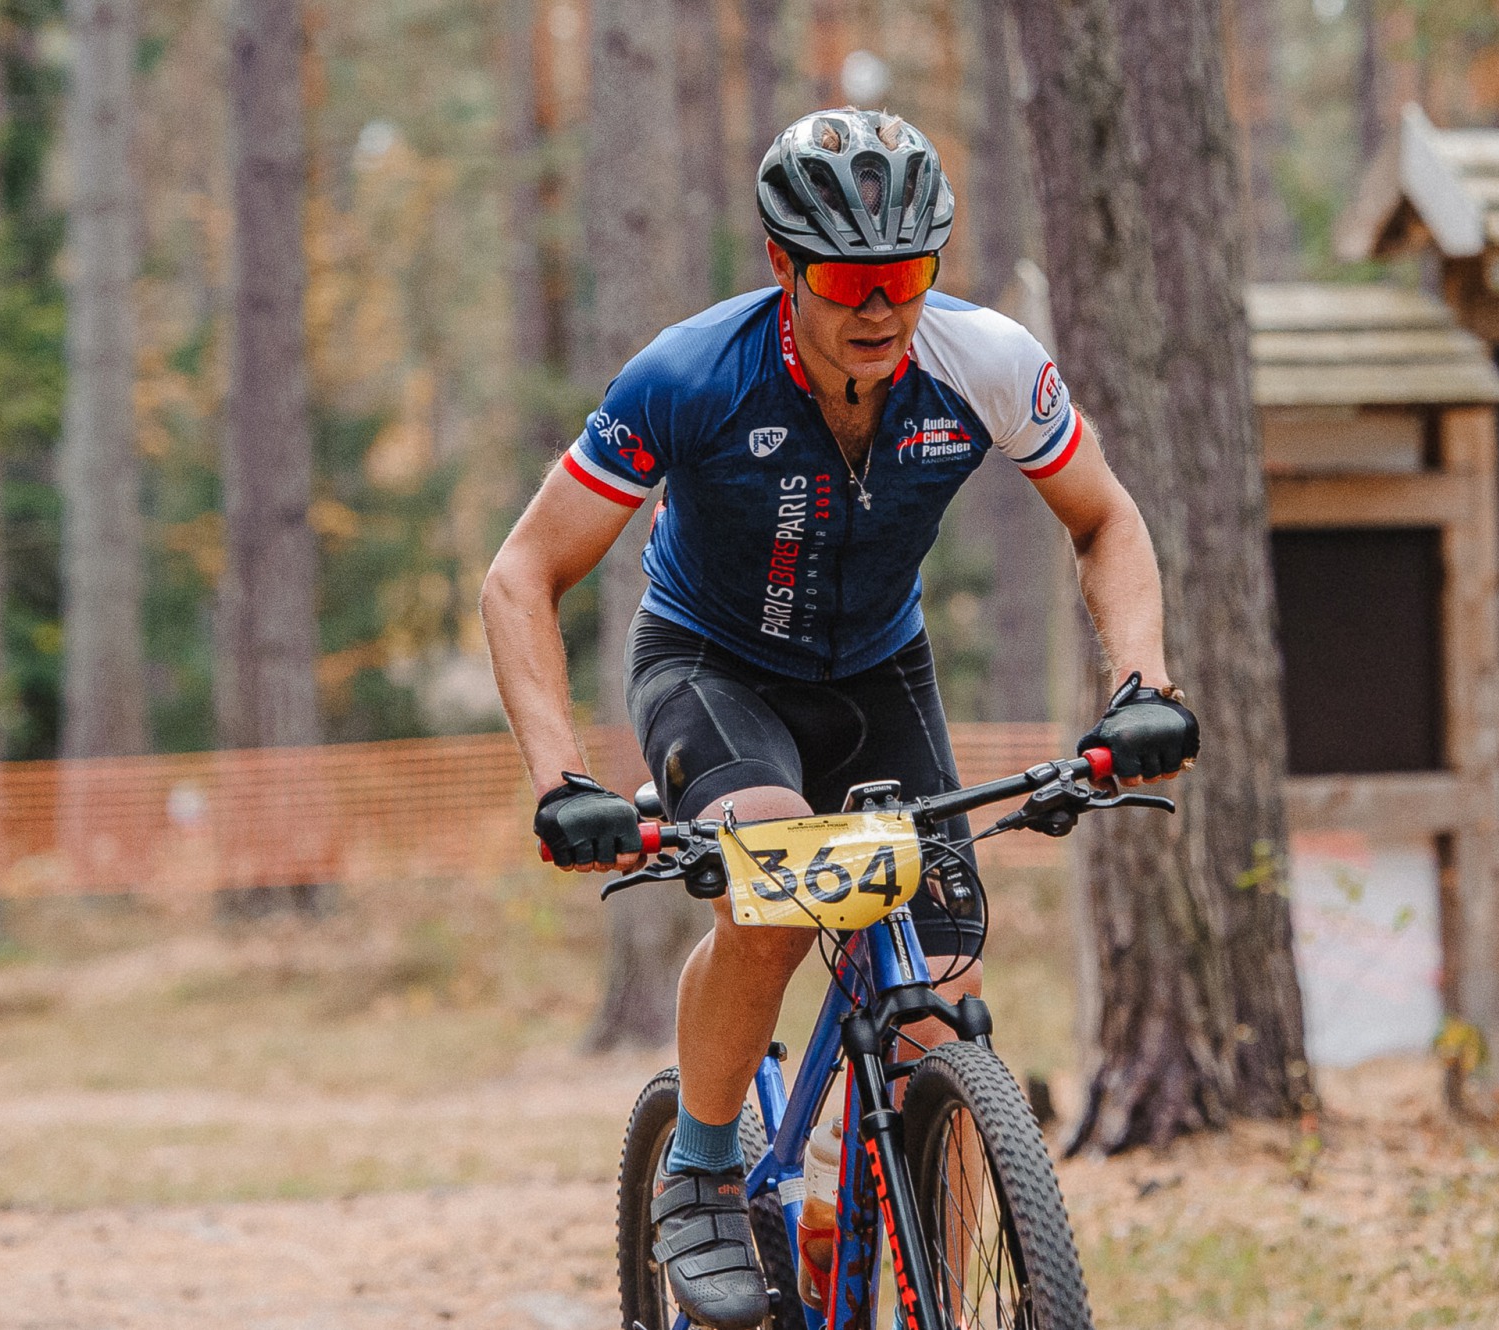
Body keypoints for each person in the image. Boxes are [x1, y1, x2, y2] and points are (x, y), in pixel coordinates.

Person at [481, 108, 1197, 1329]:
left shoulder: (984, 361)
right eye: (851, 281)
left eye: (906, 275)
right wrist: (559, 779)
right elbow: (520, 575)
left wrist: (1141, 683)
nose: (881, 306)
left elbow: (1105, 520)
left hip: (876, 671)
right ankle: (702, 1172)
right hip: (709, 664)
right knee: (779, 888)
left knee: (939, 986)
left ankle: (864, 1231)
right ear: (783, 268)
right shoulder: (689, 376)